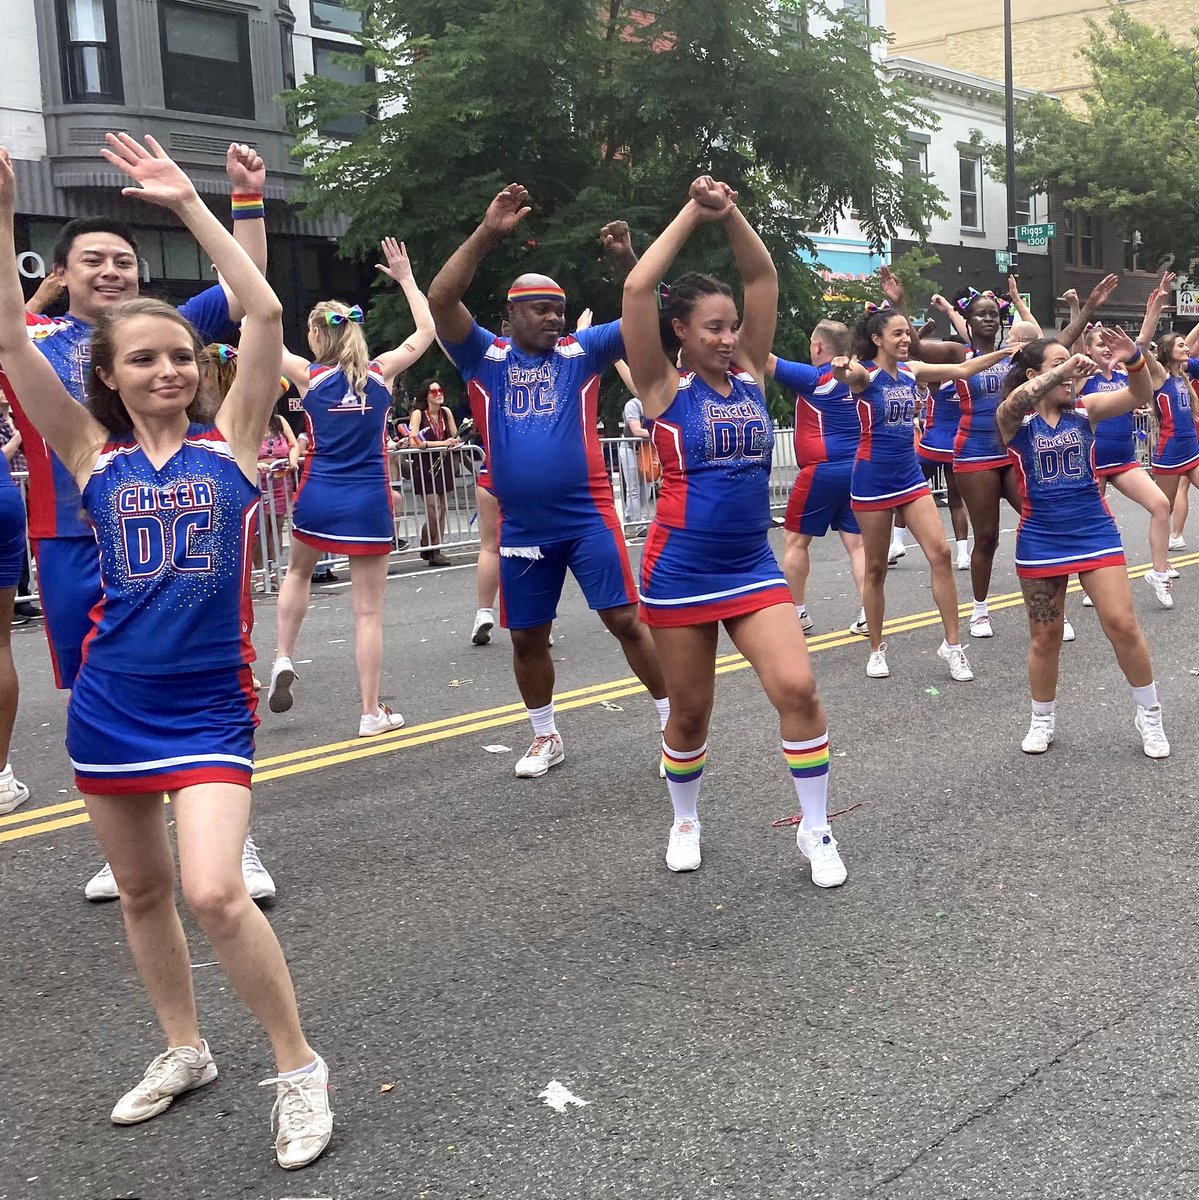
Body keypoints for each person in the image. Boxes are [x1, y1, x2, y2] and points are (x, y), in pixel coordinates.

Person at [0, 134, 332, 1168]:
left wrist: (195, 203)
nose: (167, 369)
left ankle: (297, 1067)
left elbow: (266, 314)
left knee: (214, 891)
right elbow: (11, 342)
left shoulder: (228, 443)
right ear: (106, 375)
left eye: (179, 357)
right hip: (108, 704)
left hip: (205, 707)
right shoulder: (86, 454)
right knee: (140, 895)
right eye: (143, 358)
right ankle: (184, 1049)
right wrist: (4, 216)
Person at [621, 177, 844, 885]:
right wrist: (690, 210)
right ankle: (684, 817)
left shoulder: (749, 369)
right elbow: (635, 290)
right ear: (680, 332)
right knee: (687, 714)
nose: (726, 337)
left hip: (751, 566)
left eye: (731, 326)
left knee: (798, 688)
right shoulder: (662, 387)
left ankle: (815, 830)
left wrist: (731, 210)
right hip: (679, 571)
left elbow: (761, 273)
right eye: (711, 327)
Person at [428, 186, 670, 778]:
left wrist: (626, 261)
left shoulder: (580, 351)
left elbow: (653, 317)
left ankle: (674, 721)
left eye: (559, 308)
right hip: (523, 527)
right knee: (527, 638)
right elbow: (440, 297)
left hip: (587, 516)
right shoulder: (481, 356)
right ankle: (545, 735)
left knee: (626, 623)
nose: (555, 317)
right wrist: (488, 232)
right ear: (510, 314)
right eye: (540, 309)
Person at [269, 238, 436, 736]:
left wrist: (230, 280)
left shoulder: (307, 376)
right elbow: (426, 330)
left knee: (297, 574)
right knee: (367, 611)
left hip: (318, 491)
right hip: (368, 497)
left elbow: (258, 329)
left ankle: (282, 656)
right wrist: (405, 278)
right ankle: (369, 711)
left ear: (319, 336)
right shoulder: (382, 373)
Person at [995, 329, 1168, 759]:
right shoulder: (1015, 419)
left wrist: (1135, 360)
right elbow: (1012, 404)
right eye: (1057, 364)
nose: (1071, 370)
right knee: (1044, 637)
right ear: (1035, 374)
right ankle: (1042, 719)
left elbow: (1138, 394)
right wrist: (1062, 371)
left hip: (1094, 532)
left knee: (1122, 625)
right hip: (1040, 539)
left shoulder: (1084, 409)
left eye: (1071, 363)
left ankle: (1149, 714)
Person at [831, 309, 1010, 681]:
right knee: (876, 569)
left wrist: (1009, 352)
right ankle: (877, 647)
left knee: (941, 554)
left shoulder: (913, 370)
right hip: (872, 481)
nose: (905, 339)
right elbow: (850, 376)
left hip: (910, 477)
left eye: (906, 334)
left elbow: (962, 370)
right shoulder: (868, 375)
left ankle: (953, 646)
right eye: (896, 334)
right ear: (878, 339)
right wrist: (840, 370)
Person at [768, 321, 868, 637]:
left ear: (817, 347)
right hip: (856, 469)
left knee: (796, 541)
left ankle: (798, 613)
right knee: (857, 545)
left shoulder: (814, 378)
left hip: (821, 470)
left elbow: (759, 356)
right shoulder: (862, 376)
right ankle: (869, 612)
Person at [408, 378, 461, 566]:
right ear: (426, 395)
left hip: (443, 463)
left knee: (442, 508)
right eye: (434, 391)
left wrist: (455, 441)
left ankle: (435, 548)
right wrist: (440, 444)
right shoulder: (418, 414)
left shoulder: (445, 413)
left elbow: (455, 436)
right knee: (432, 508)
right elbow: (414, 441)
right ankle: (427, 543)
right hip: (424, 464)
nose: (439, 394)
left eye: (440, 390)